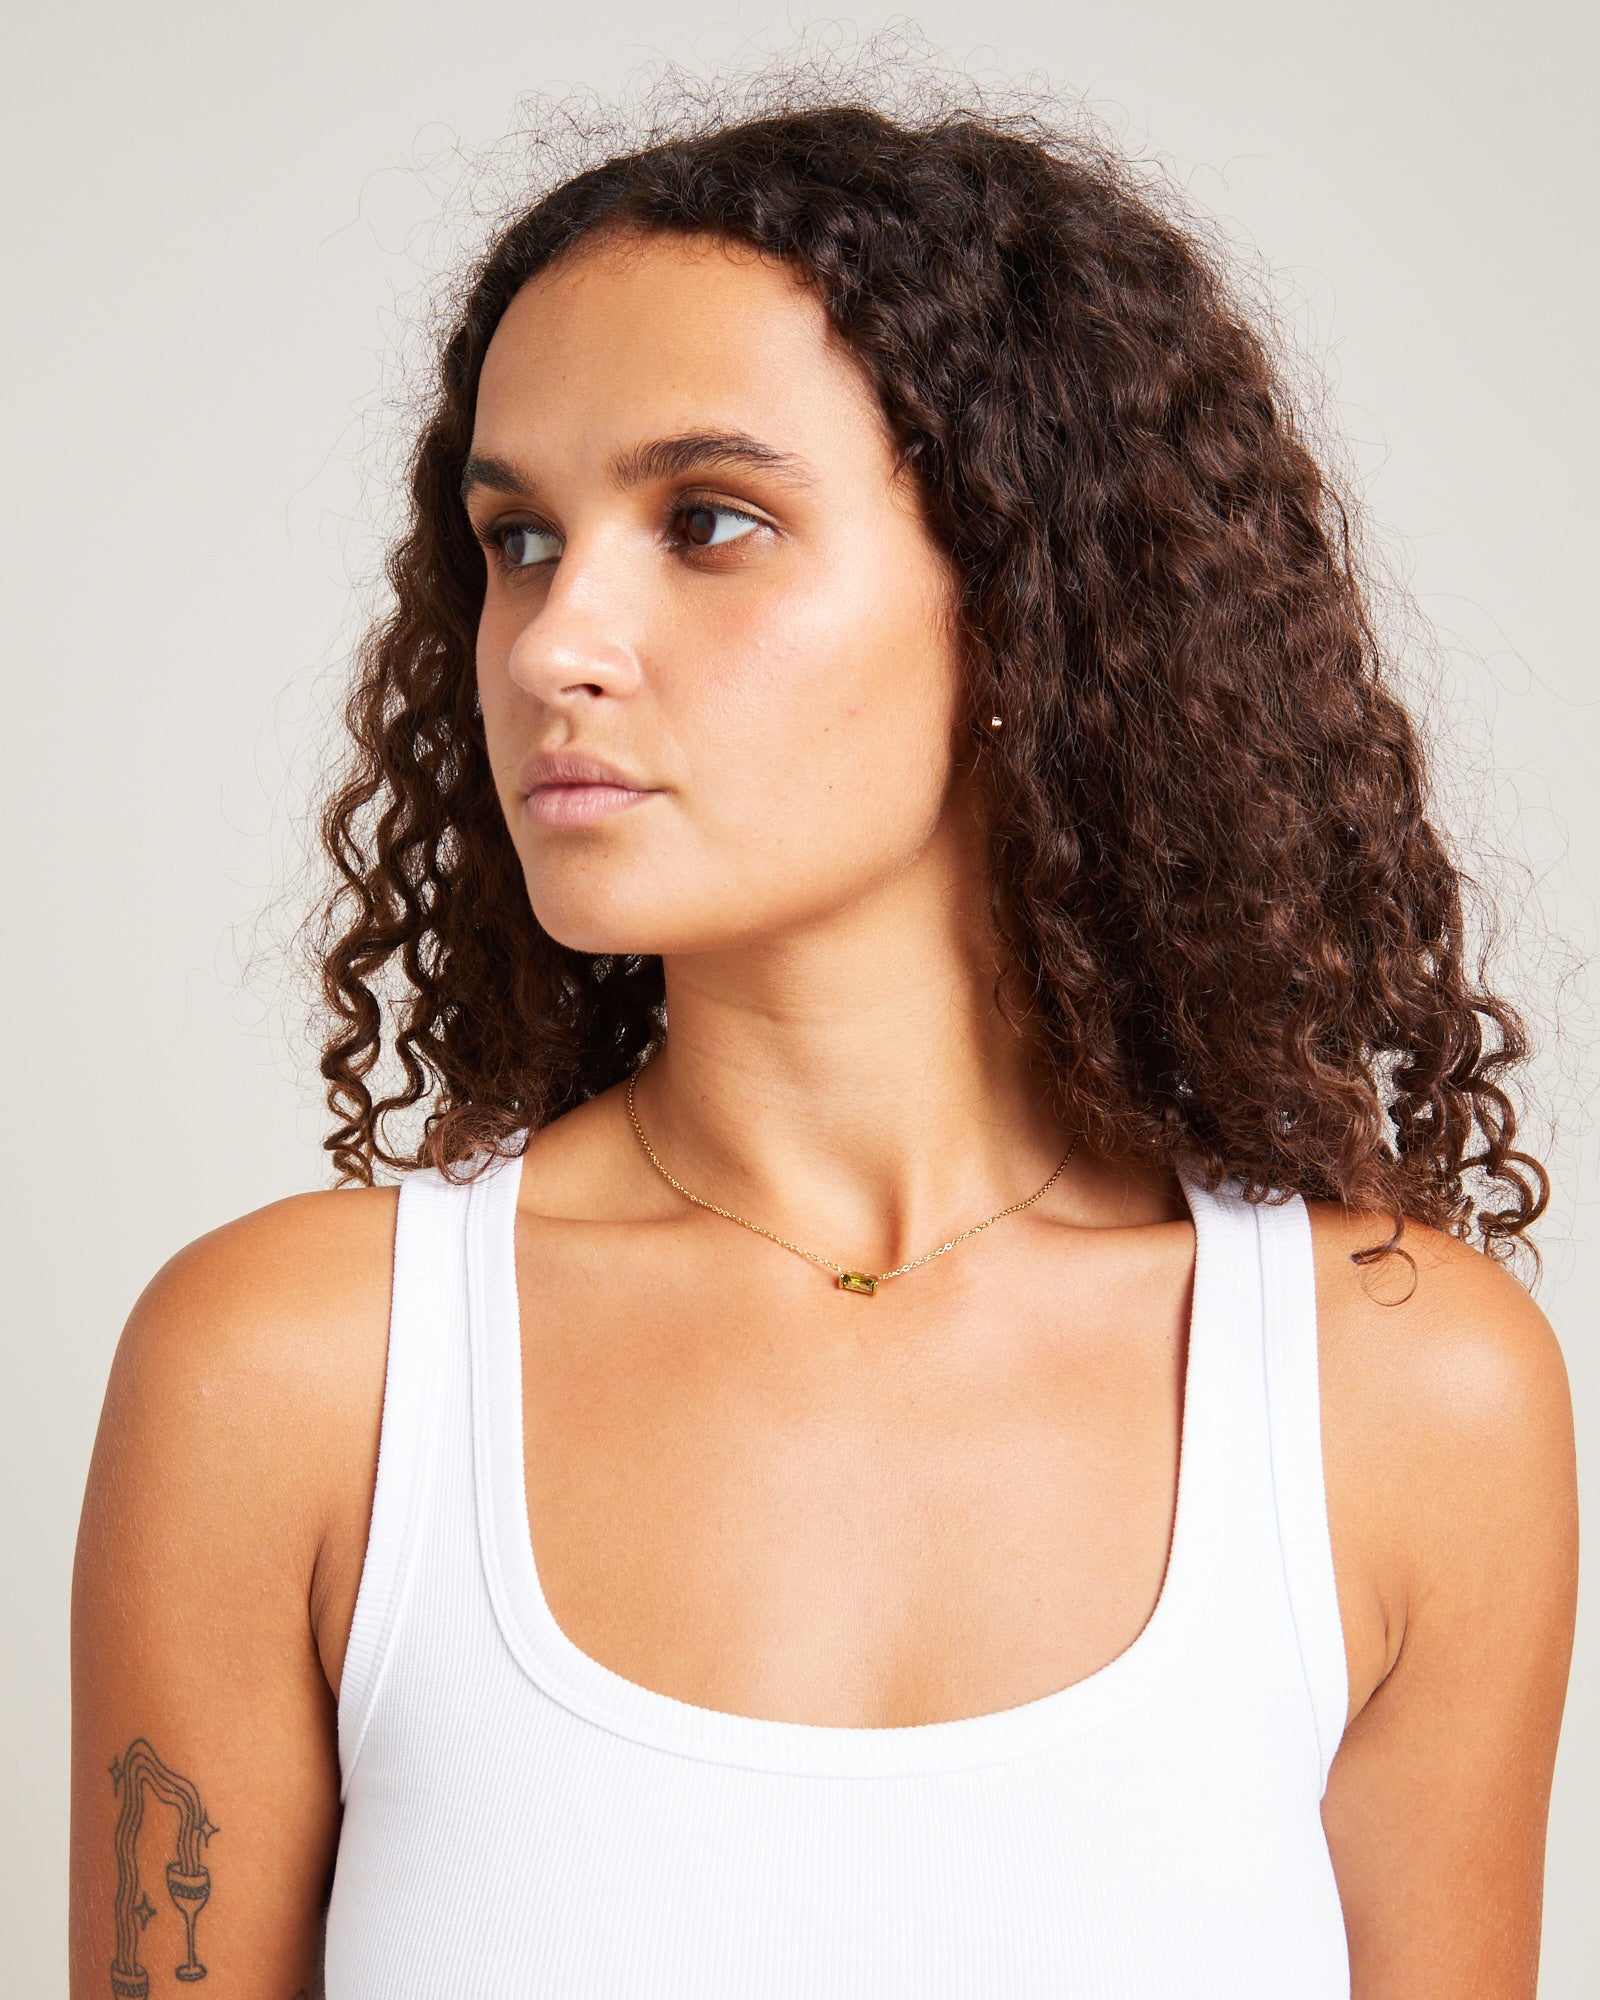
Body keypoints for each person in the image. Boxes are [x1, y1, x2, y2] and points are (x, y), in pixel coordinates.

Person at [70, 83, 1578, 2000]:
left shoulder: (1405, 1398)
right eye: (519, 538)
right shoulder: (291, 1380)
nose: (549, 644)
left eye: (708, 522)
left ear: (1024, 601)